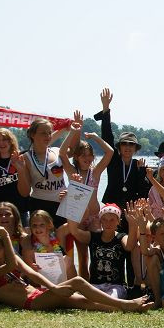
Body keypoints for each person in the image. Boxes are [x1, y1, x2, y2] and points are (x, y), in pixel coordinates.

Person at [0, 226, 151, 312]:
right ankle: (125, 304)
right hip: (31, 303)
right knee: (77, 282)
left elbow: (31, 273)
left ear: (4, 249)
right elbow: (9, 266)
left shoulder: (13, 259)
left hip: (38, 294)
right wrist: (6, 237)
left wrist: (53, 288)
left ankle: (127, 308)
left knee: (86, 303)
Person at [59, 111, 114, 279]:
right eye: (84, 155)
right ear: (76, 157)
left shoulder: (95, 172)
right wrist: (73, 132)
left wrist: (96, 137)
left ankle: (98, 283)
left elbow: (110, 152)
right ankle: (81, 283)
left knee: (96, 255)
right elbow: (62, 153)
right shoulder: (72, 171)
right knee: (82, 257)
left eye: (90, 156)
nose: (88, 158)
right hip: (77, 218)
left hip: (94, 218)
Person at [65, 203, 139, 299]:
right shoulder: (93, 236)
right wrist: (71, 204)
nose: (108, 223)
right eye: (105, 219)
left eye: (112, 220)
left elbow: (129, 246)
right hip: (95, 285)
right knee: (84, 298)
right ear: (100, 221)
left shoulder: (121, 237)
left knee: (111, 298)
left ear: (118, 221)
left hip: (116, 286)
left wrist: (133, 224)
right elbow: (74, 231)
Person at [95, 88, 147, 218]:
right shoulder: (113, 160)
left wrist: (142, 173)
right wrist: (106, 108)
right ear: (119, 147)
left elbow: (142, 191)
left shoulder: (138, 166)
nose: (128, 147)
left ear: (136, 149)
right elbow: (108, 136)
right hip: (110, 207)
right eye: (124, 144)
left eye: (131, 145)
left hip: (131, 210)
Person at [18, 118, 67, 226]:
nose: (48, 136)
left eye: (49, 133)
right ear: (32, 135)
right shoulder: (25, 158)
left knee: (61, 241)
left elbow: (75, 149)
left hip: (61, 204)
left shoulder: (58, 151)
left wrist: (74, 130)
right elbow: (24, 193)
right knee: (41, 242)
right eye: (43, 133)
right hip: (39, 205)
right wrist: (20, 171)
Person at [21, 209, 76, 282]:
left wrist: (69, 203)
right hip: (42, 281)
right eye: (34, 225)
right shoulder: (29, 247)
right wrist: (32, 268)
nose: (38, 228)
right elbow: (28, 273)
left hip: (63, 278)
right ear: (30, 227)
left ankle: (75, 289)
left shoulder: (58, 235)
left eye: (41, 225)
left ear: (49, 225)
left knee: (67, 259)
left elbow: (74, 223)